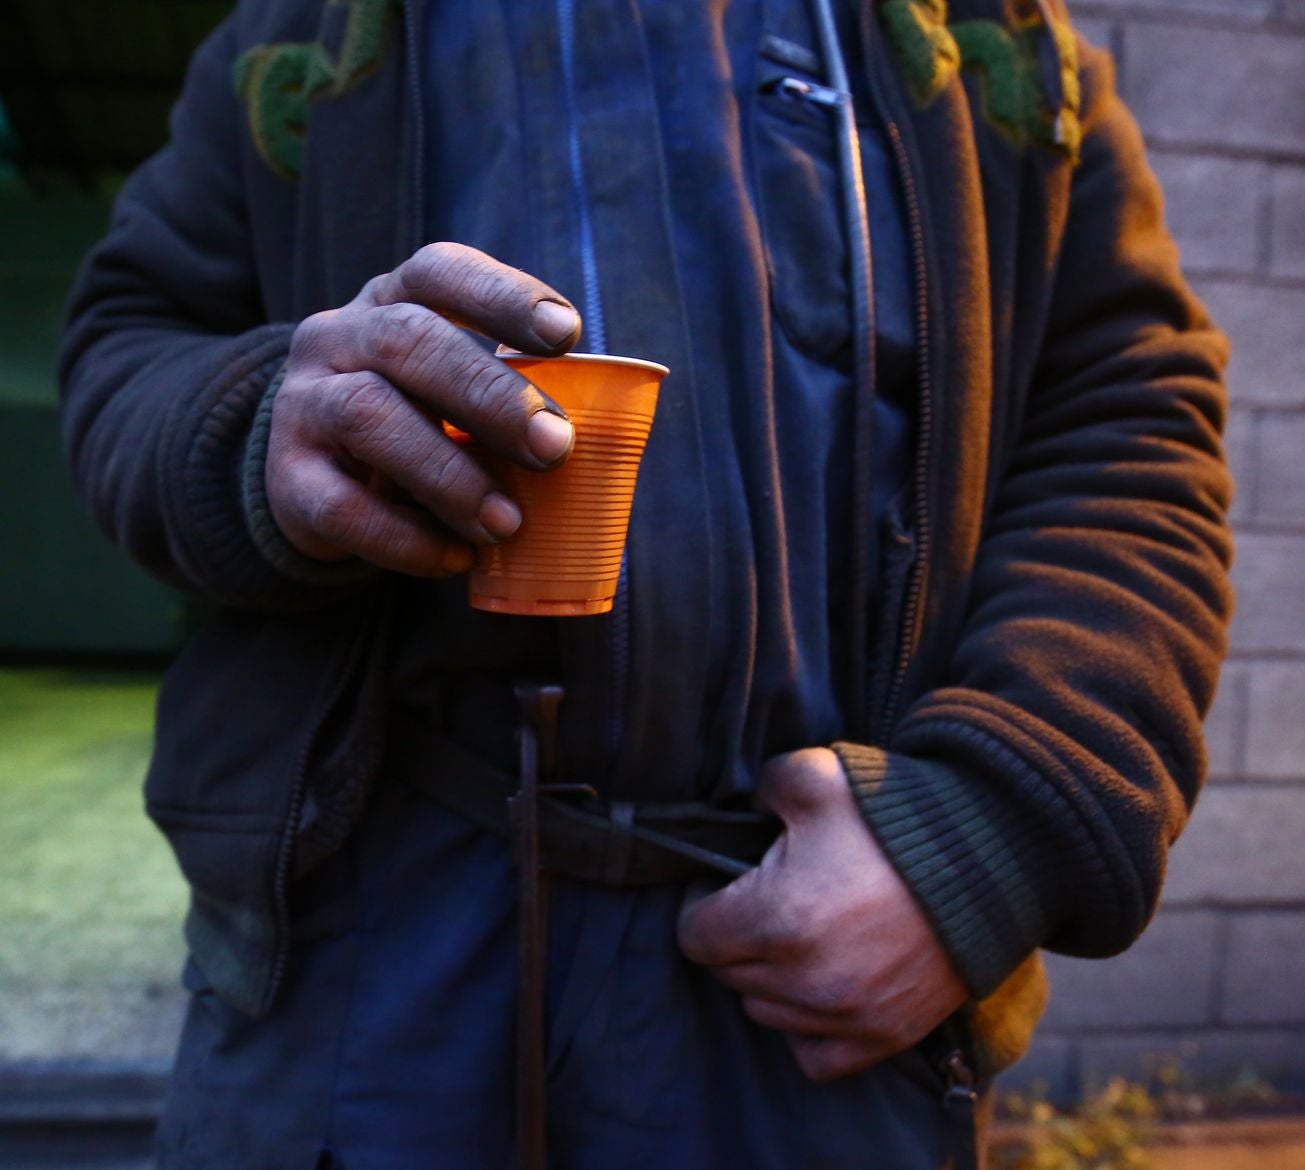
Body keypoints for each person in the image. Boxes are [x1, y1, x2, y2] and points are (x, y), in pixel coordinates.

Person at [59, 0, 1233, 1166]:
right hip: (361, 964)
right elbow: (128, 347)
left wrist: (995, 826)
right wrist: (264, 429)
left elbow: (1132, 424)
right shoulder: (305, 31)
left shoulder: (996, 43)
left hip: (808, 957)